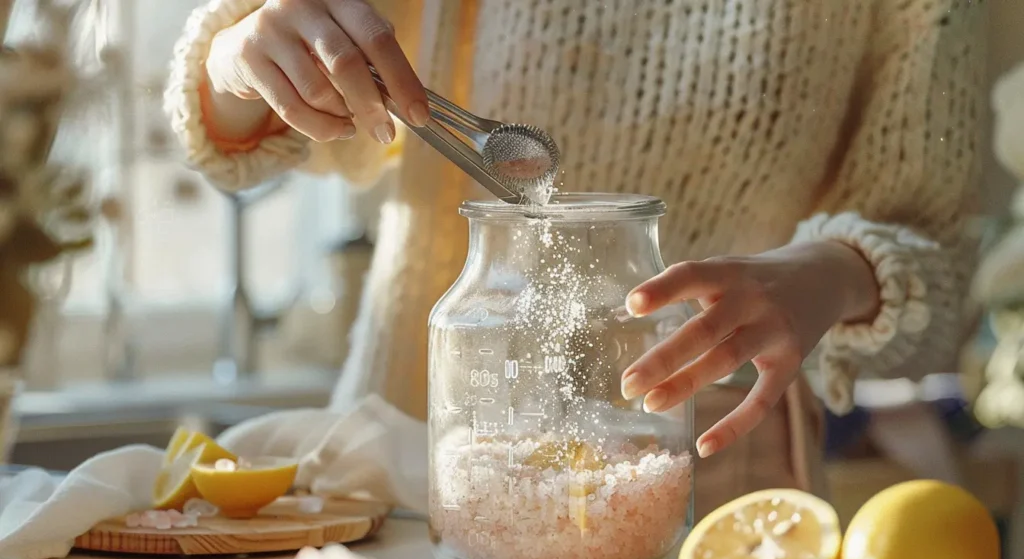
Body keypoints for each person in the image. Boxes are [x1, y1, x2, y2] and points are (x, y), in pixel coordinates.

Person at [165, 0, 985, 516]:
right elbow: (242, 125)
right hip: (408, 465)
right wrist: (240, 59)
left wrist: (830, 271)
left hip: (713, 481)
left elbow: (942, 262)